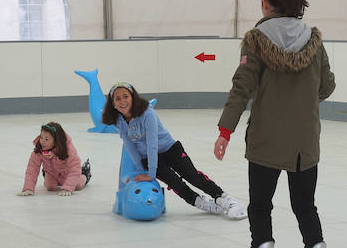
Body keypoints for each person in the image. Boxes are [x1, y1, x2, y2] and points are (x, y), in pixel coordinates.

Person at [216, 0, 336, 248]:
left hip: (266, 140)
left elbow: (242, 87)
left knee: (260, 205)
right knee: (305, 205)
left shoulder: (255, 40)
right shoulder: (314, 40)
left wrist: (225, 130)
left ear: (267, 3)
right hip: (304, 142)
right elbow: (326, 86)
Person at [102, 83, 245, 219]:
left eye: (126, 96)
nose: (122, 101)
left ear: (133, 97)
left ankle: (225, 199)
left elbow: (152, 143)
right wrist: (142, 171)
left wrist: (151, 173)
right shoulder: (118, 121)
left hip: (170, 149)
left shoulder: (147, 113)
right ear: (113, 103)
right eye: (118, 98)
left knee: (192, 176)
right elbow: (130, 146)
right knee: (175, 183)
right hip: (148, 158)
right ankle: (203, 203)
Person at [19, 121, 91, 196]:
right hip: (52, 172)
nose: (42, 142)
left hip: (67, 172)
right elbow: (32, 168)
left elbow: (74, 167)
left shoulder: (68, 148)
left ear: (56, 141)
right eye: (41, 137)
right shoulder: (39, 149)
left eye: (46, 139)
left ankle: (85, 174)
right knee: (50, 187)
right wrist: (28, 188)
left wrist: (68, 188)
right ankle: (46, 173)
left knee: (77, 185)